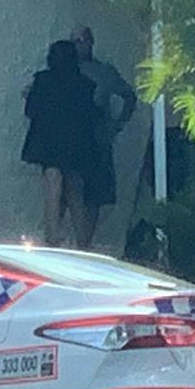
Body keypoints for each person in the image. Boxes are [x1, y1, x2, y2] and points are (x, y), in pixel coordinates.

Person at [22, 40, 99, 247]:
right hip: (76, 142)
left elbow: (31, 111)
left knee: (52, 186)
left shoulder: (43, 80)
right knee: (75, 190)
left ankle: (51, 237)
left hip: (49, 141)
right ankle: (83, 242)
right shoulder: (85, 84)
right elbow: (90, 115)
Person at [72, 26, 138, 249]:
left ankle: (85, 245)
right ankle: (68, 243)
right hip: (72, 138)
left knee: (95, 196)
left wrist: (116, 126)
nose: (79, 45)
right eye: (74, 41)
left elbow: (129, 96)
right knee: (72, 191)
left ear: (91, 42)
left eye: (82, 40)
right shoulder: (64, 71)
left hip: (98, 138)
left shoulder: (104, 71)